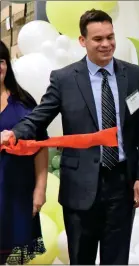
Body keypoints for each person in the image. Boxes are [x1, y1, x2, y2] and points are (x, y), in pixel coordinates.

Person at [0, 9, 139, 265]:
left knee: (116, 259)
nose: (106, 44)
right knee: (80, 259)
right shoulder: (64, 79)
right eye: (98, 39)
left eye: (110, 36)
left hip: (122, 183)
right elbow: (40, 117)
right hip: (79, 187)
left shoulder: (134, 75)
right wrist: (15, 133)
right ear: (82, 41)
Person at [0, 41, 48, 265]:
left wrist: (40, 188)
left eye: (0, 61)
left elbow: (40, 145)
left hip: (18, 193)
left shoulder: (24, 101)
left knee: (15, 257)